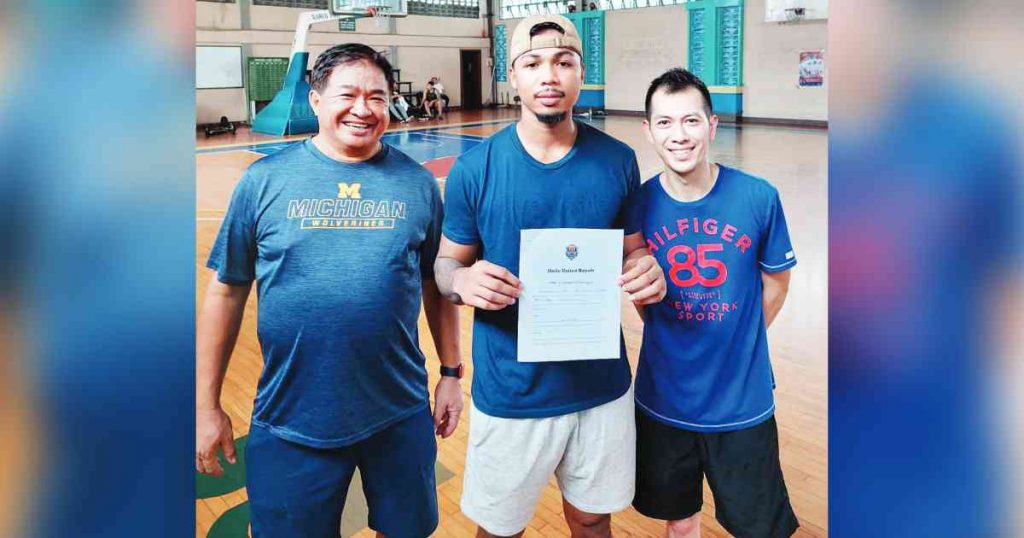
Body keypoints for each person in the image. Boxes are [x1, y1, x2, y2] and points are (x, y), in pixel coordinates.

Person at [196, 43, 463, 538]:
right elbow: (225, 293)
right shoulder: (263, 182)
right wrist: (205, 404)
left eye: (378, 97)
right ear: (315, 100)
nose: (363, 109)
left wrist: (451, 372)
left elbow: (434, 284)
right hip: (291, 415)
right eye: (348, 94)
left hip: (398, 411)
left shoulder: (416, 185)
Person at [434, 14, 667, 538]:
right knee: (499, 528)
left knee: (591, 519)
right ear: (512, 77)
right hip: (512, 391)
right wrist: (463, 282)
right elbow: (446, 265)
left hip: (600, 384)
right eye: (532, 63)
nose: (549, 75)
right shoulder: (477, 169)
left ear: (581, 73)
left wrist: (645, 269)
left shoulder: (617, 160)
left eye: (564, 62)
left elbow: (633, 253)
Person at [630, 67, 799, 538]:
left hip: (740, 404)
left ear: (712, 125)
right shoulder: (638, 206)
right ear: (648, 130)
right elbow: (644, 297)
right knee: (680, 520)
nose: (678, 135)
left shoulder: (758, 198)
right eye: (664, 122)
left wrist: (735, 338)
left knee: (759, 527)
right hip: (664, 401)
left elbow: (777, 285)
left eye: (691, 121)